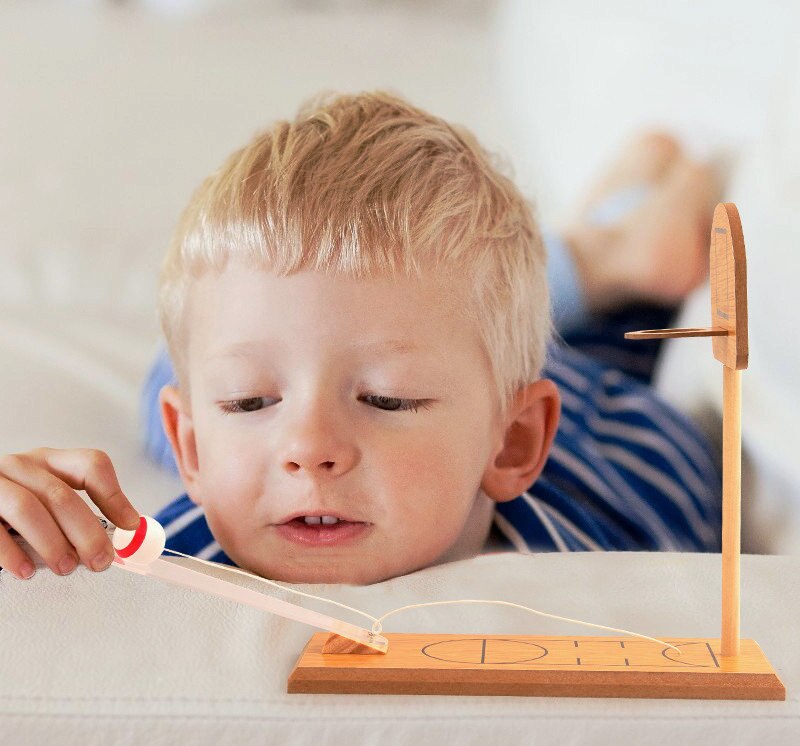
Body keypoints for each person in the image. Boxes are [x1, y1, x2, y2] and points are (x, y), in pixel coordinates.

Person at [0, 91, 721, 585]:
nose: (308, 447)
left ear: (512, 444)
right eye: (252, 403)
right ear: (188, 452)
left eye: (387, 400)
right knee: (174, 376)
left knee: (566, 340)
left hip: (583, 391)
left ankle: (624, 223)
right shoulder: (176, 548)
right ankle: (598, 238)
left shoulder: (624, 548)